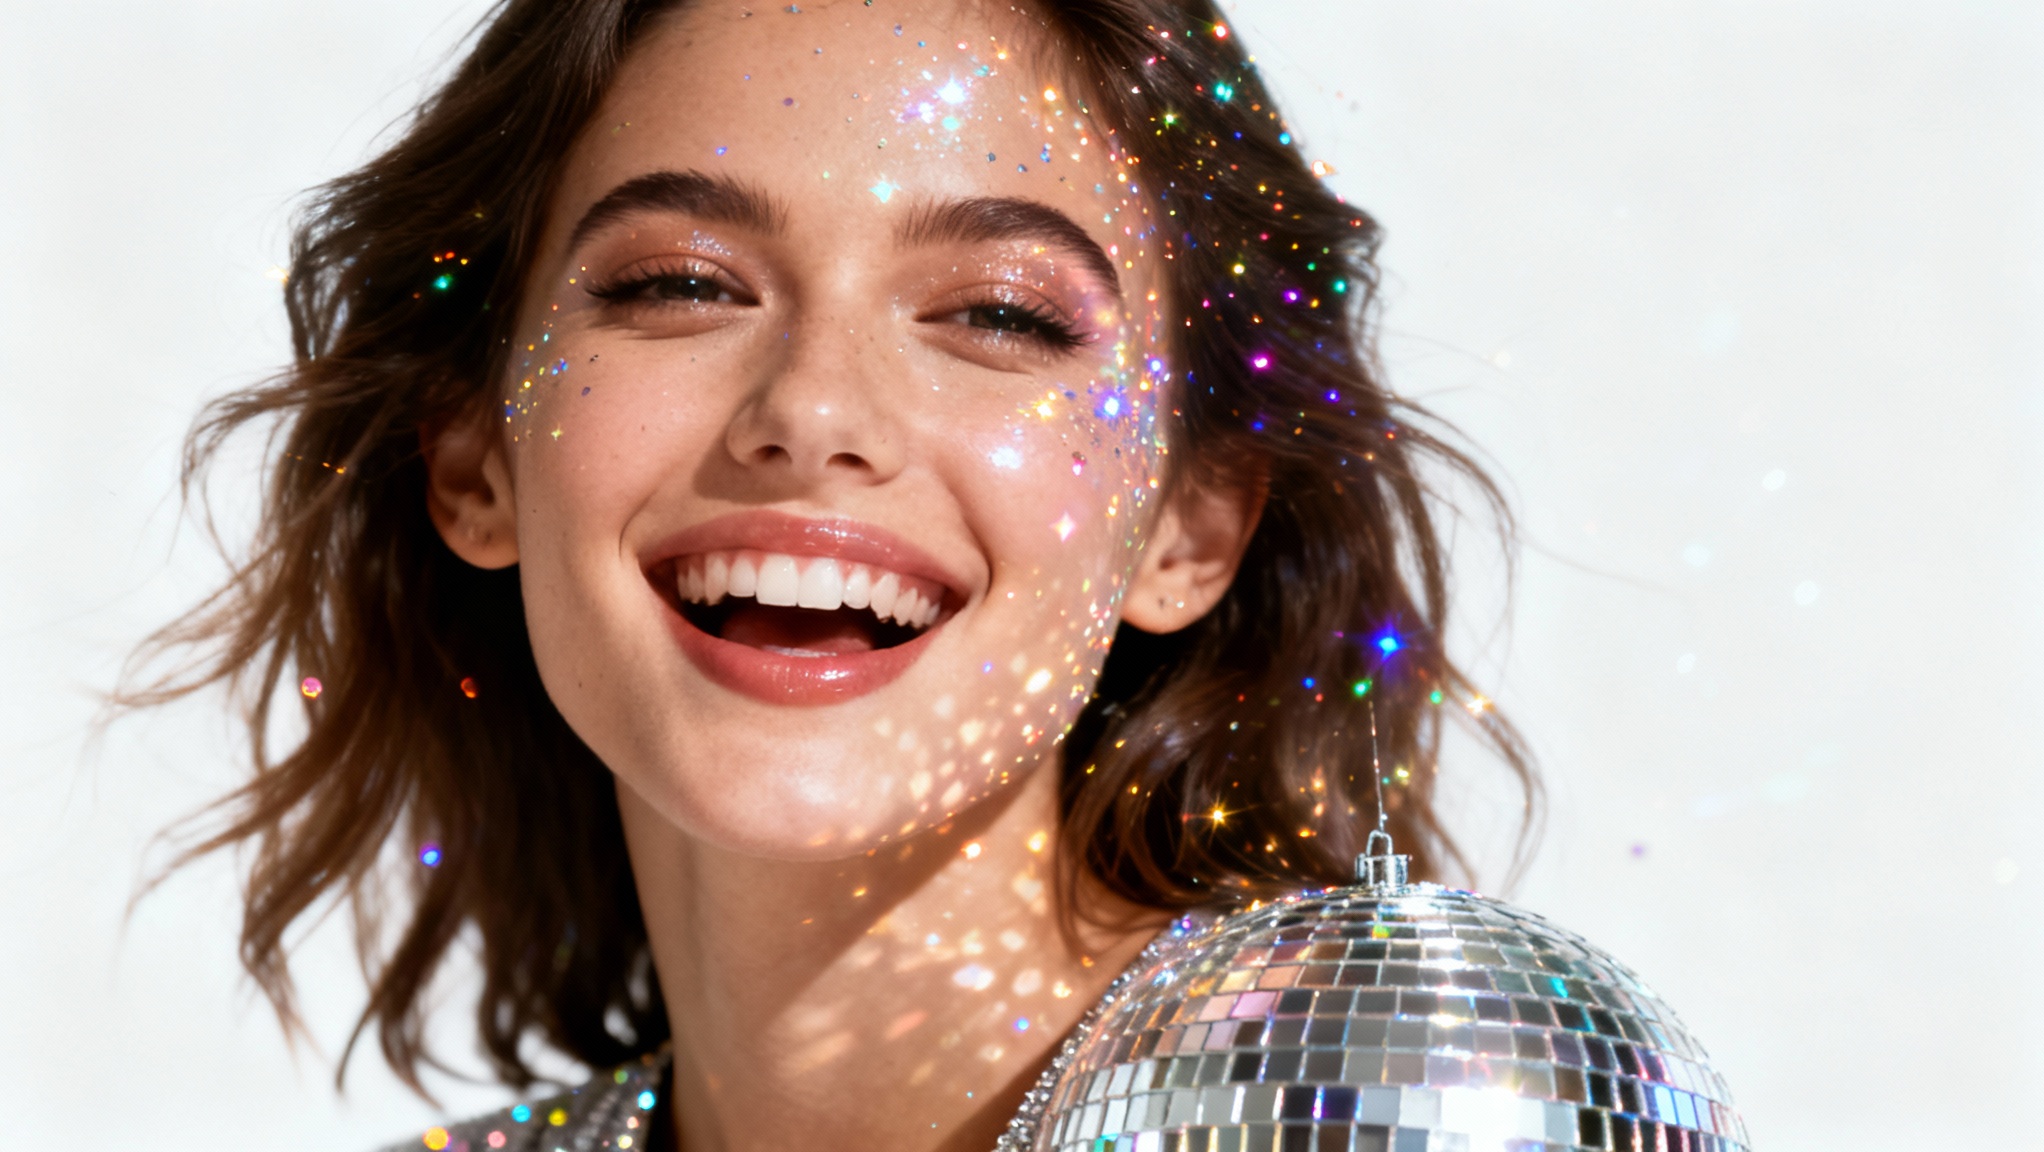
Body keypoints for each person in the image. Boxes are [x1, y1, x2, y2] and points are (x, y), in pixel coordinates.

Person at [137, 0, 1531, 1147]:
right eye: (681, 285)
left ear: (1192, 523)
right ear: (471, 454)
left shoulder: (1431, 1120)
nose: (812, 411)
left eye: (998, 313)